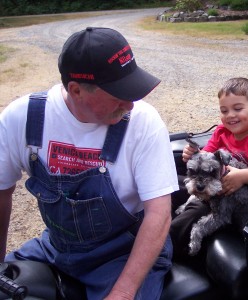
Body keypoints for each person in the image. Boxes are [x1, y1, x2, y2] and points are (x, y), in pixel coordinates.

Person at [0, 27, 179, 300]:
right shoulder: (23, 118)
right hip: (56, 245)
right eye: (118, 94)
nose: (130, 105)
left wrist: (123, 292)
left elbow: (159, 214)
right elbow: (1, 191)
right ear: (75, 90)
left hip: (124, 253)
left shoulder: (144, 123)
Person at [170, 77, 248, 258]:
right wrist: (191, 155)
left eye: (237, 109)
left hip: (230, 200)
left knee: (195, 212)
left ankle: (164, 246)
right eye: (224, 110)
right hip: (212, 187)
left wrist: (242, 176)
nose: (230, 115)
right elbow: (205, 157)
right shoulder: (221, 132)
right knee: (170, 183)